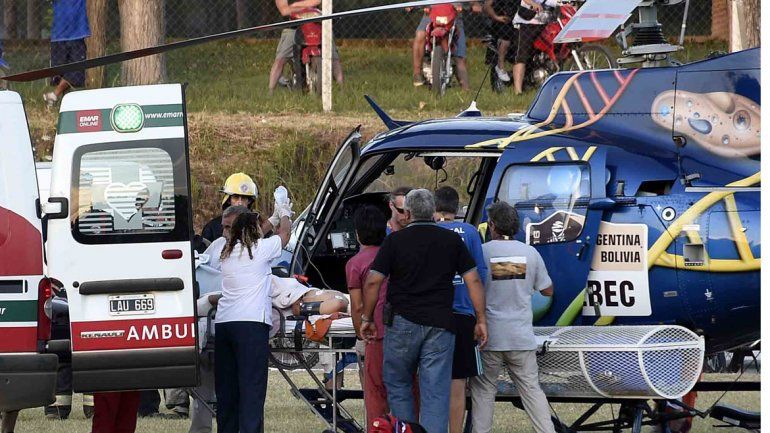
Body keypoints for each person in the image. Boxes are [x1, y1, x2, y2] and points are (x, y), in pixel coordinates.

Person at [361, 189, 488, 433]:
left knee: (399, 384)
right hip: (441, 324)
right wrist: (481, 319)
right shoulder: (451, 240)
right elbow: (473, 280)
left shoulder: (394, 241)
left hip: (401, 323)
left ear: (408, 213)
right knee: (436, 391)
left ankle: (404, 429)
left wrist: (367, 318)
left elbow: (373, 282)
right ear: (432, 212)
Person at [469, 201, 555, 433]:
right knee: (531, 390)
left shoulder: (482, 252)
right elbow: (548, 290)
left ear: (492, 225)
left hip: (489, 337)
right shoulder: (530, 253)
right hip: (521, 336)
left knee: (484, 391)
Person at [213, 201, 292, 433]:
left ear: (237, 229)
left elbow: (258, 233)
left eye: (228, 227)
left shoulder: (225, 252)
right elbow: (285, 235)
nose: (223, 232)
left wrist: (272, 219)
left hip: (225, 324)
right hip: (251, 325)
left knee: (227, 391)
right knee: (251, 390)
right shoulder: (259, 250)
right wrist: (284, 214)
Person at [433, 186, 488, 433]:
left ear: (434, 207)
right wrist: (480, 315)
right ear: (457, 208)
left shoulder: (429, 231)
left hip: (433, 315)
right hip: (464, 315)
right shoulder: (470, 232)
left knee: (430, 381)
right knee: (457, 384)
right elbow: (480, 275)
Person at [345, 205, 389, 429]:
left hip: (374, 333)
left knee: (375, 392)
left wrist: (359, 335)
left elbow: (357, 306)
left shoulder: (356, 263)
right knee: (406, 388)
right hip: (401, 330)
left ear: (357, 234)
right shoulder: (393, 255)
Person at [268, 0, 344, 93]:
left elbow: (316, 1)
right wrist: (309, 9)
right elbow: (284, 11)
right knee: (281, 59)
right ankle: (270, 91)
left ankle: (342, 89)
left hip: (317, 25)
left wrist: (295, 6)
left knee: (333, 58)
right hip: (293, 27)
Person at [44, 0, 91, 108]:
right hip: (58, 36)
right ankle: (63, 103)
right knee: (59, 74)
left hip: (77, 34)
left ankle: (54, 95)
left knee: (77, 71)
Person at [512, 0, 559, 94]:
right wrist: (533, 4)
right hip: (527, 22)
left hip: (547, 22)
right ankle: (518, 91)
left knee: (551, 50)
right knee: (522, 56)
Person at [201, 173, 260, 244]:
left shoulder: (259, 225)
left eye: (244, 198)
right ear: (228, 200)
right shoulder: (212, 228)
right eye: (236, 197)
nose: (240, 202)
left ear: (249, 201)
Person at [484, 0, 519, 82]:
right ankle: (500, 67)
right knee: (506, 38)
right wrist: (496, 17)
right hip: (502, 22)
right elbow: (487, 6)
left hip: (518, 20)